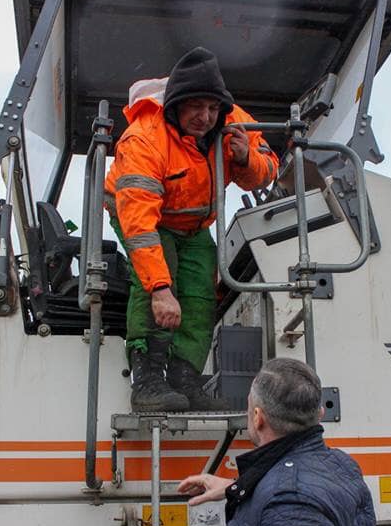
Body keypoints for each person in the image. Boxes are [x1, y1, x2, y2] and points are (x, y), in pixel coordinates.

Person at [105, 47, 279, 413]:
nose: (206, 117)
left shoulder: (234, 122)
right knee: (157, 278)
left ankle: (186, 381)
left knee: (201, 294)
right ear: (176, 104)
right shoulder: (144, 140)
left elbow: (269, 168)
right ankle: (148, 381)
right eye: (196, 107)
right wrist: (161, 289)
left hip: (193, 224)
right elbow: (139, 223)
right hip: (142, 217)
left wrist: (247, 157)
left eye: (213, 108)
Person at [177, 358, 376, 526]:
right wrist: (235, 487)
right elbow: (306, 490)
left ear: (258, 418)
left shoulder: (287, 500)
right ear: (320, 413)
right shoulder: (339, 464)